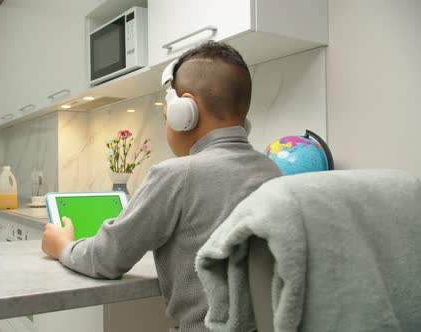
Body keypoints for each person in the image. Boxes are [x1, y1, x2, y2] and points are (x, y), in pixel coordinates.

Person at [41, 41, 282, 331]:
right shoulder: (270, 169)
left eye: (167, 114)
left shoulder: (176, 175)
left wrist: (63, 246)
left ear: (185, 111)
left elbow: (106, 258)